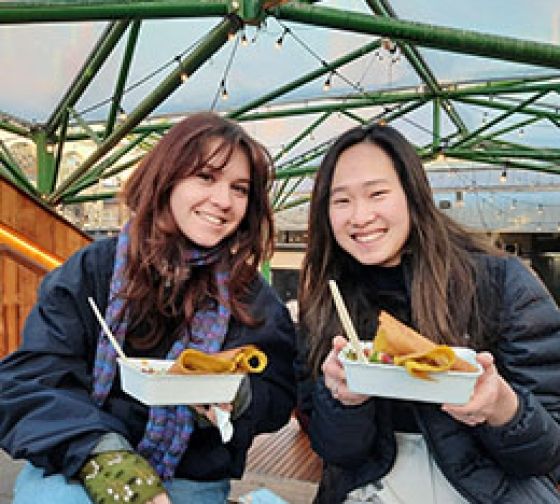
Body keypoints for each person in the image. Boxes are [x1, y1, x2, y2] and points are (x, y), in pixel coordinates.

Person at [0, 112, 297, 504]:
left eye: (240, 189)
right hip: (78, 464)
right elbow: (34, 376)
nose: (224, 201)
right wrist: (109, 459)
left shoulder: (252, 296)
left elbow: (277, 390)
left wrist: (237, 398)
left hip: (191, 478)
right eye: (206, 177)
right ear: (167, 177)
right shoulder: (93, 270)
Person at [296, 123, 560, 503]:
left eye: (377, 194)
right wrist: (343, 402)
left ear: (412, 195)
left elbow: (549, 451)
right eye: (341, 201)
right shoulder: (326, 299)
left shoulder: (499, 282)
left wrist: (503, 408)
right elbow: (337, 453)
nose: (360, 215)